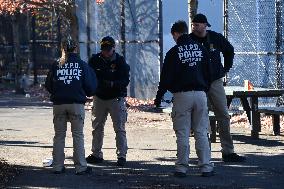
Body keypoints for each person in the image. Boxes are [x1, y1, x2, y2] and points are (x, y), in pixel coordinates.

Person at [155, 20, 214, 177]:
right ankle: (206, 167)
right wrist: (205, 89)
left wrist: (158, 98)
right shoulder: (201, 49)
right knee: (201, 131)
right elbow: (210, 73)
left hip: (182, 95)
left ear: (175, 34)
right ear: (186, 31)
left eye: (173, 36)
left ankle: (181, 167)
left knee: (182, 133)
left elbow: (165, 79)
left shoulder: (174, 53)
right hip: (201, 94)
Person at [189, 13, 245, 162]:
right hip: (199, 84)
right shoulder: (189, 40)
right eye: (193, 25)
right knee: (202, 118)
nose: (195, 27)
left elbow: (229, 50)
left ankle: (228, 151)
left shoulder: (215, 37)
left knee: (224, 115)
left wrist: (225, 69)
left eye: (198, 24)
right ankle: (205, 153)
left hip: (215, 82)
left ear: (205, 25)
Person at [45, 36, 97, 175]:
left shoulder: (56, 64)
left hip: (59, 104)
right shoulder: (81, 64)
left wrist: (59, 91)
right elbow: (91, 86)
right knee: (78, 135)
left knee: (59, 136)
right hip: (76, 104)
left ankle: (57, 166)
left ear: (62, 48)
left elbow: (48, 85)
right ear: (75, 48)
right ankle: (80, 167)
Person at [86, 36, 130, 166]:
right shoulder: (94, 60)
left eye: (108, 49)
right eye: (104, 49)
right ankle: (96, 154)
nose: (105, 52)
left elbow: (125, 81)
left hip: (115, 98)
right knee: (97, 127)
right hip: (99, 97)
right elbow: (88, 76)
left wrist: (112, 84)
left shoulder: (120, 62)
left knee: (119, 128)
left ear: (113, 49)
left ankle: (121, 156)